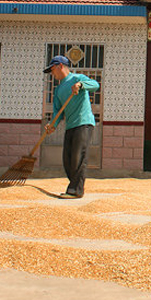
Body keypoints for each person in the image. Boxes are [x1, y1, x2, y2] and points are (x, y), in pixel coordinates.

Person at [43, 54, 100, 198]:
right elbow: (57, 111)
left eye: (52, 70)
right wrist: (52, 125)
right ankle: (74, 185)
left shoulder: (77, 78)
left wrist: (81, 85)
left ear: (60, 66)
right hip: (71, 126)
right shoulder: (59, 89)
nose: (52, 73)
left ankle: (75, 190)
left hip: (84, 123)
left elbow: (95, 85)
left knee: (78, 157)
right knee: (67, 160)